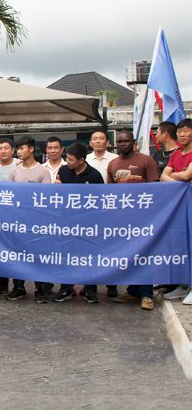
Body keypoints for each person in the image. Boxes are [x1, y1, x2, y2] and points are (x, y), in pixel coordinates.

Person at [108, 129, 159, 311]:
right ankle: (132, 291)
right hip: (122, 219)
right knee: (128, 256)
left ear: (133, 142)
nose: (122, 144)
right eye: (120, 142)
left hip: (143, 218)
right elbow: (110, 193)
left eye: (126, 141)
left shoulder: (147, 160)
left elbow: (155, 189)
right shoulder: (113, 164)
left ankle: (146, 295)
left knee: (144, 255)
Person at [53, 142, 104, 303]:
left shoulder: (94, 176)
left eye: (71, 159)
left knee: (88, 258)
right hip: (66, 222)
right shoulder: (63, 171)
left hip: (88, 225)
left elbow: (101, 202)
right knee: (65, 256)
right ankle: (66, 288)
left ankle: (89, 289)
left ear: (82, 160)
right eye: (67, 158)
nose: (67, 162)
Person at [5, 136, 53, 303]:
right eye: (17, 149)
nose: (19, 152)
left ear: (31, 149)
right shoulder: (15, 171)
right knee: (17, 255)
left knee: (37, 255)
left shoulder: (42, 171)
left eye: (22, 148)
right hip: (18, 222)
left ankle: (40, 289)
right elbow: (8, 196)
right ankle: (19, 287)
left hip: (36, 223)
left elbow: (46, 199)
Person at [160, 118, 192, 304]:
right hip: (180, 206)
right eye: (179, 131)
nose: (182, 134)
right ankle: (183, 285)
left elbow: (189, 174)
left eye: (186, 130)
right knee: (181, 244)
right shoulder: (176, 154)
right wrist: (183, 185)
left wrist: (177, 176)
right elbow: (164, 176)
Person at [85, 129, 119, 298]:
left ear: (107, 142)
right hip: (88, 210)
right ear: (91, 142)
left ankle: (111, 284)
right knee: (89, 248)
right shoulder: (85, 159)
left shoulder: (115, 159)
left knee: (109, 248)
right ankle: (89, 285)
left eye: (101, 138)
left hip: (109, 209)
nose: (98, 141)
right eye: (95, 139)